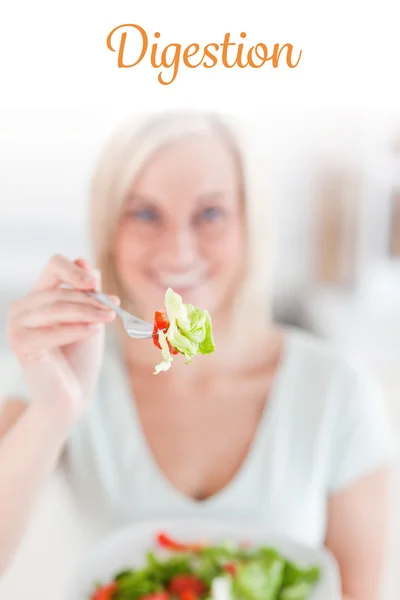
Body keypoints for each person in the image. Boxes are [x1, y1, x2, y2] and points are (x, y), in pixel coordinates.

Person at [0, 110, 397, 600]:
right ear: (110, 231)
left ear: (250, 225)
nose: (180, 251)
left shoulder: (340, 391)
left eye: (211, 214)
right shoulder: (58, 373)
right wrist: (55, 411)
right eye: (144, 214)